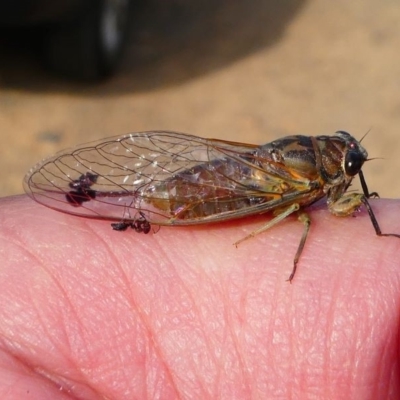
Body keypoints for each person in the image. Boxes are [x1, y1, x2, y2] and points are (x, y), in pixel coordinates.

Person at [0, 195, 399, 399]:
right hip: (231, 191)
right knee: (307, 221)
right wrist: (256, 235)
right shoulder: (308, 192)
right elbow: (297, 216)